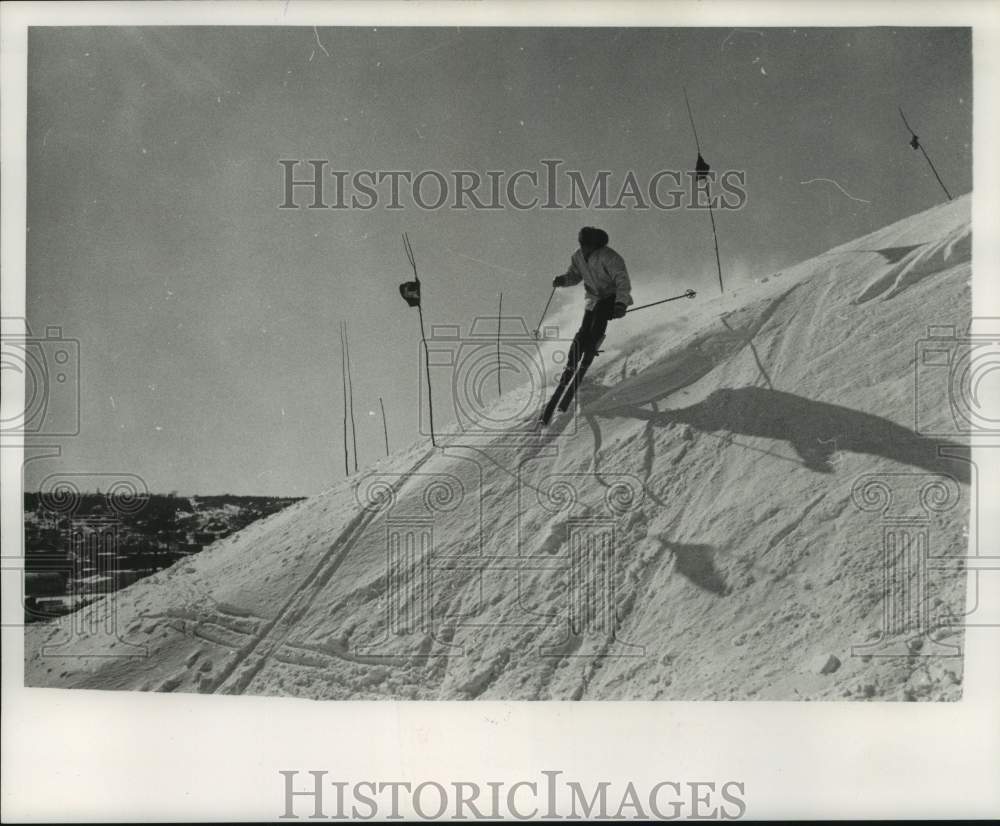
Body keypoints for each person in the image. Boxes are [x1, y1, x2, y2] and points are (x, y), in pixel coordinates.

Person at [543, 227, 633, 421]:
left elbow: (622, 280)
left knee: (597, 325)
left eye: (588, 246)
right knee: (583, 331)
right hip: (592, 297)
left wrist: (621, 303)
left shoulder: (609, 257)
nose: (585, 249)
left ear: (596, 244)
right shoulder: (578, 257)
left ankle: (588, 355)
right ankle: (571, 363)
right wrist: (563, 280)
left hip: (610, 297)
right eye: (583, 245)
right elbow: (574, 276)